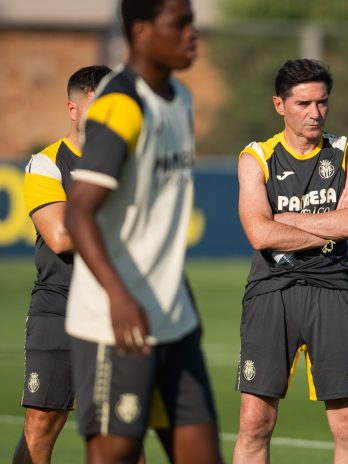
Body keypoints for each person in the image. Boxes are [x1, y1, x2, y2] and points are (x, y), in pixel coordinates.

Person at [63, 0, 222, 462]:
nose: (193, 33)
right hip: (113, 322)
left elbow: (157, 221)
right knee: (116, 454)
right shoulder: (120, 105)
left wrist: (182, 296)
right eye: (180, 23)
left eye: (193, 21)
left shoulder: (182, 99)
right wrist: (118, 297)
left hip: (172, 318)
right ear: (143, 31)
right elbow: (79, 213)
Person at [234, 58, 348, 464]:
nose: (315, 113)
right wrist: (331, 227)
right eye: (303, 104)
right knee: (255, 422)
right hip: (271, 290)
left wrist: (287, 219)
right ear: (280, 105)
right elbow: (259, 234)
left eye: (322, 102)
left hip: (334, 290)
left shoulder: (347, 152)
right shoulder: (256, 157)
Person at [13, 65, 111, 464]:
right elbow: (61, 237)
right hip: (60, 304)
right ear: (73, 109)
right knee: (42, 423)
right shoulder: (47, 163)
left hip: (116, 309)